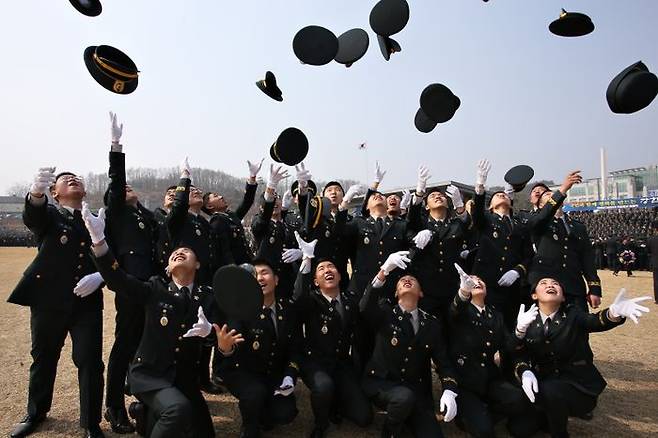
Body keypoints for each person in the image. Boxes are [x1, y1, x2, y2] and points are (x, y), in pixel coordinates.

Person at [83, 203, 219, 437]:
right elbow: (119, 280)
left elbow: (224, 334)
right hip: (150, 374)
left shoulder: (208, 296)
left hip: (184, 378)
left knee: (204, 433)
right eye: (174, 253)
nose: (178, 252)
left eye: (186, 252)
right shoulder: (155, 288)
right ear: (167, 267)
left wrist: (211, 334)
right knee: (177, 409)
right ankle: (152, 409)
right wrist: (99, 242)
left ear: (197, 264)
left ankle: (145, 414)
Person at [8, 169, 105, 438]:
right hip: (48, 300)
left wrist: (101, 276)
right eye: (65, 179)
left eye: (77, 178)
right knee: (44, 357)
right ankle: (35, 413)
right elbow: (34, 217)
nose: (73, 179)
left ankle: (91, 422)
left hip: (86, 303)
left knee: (90, 362)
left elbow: (111, 255)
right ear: (55, 193)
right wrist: (35, 195)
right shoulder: (50, 215)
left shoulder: (95, 219)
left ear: (85, 191)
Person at [513, 277, 651, 438]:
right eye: (543, 283)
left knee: (551, 391)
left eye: (555, 284)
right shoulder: (526, 319)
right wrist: (524, 366)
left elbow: (594, 321)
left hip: (576, 386)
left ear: (563, 297)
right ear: (534, 296)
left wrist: (613, 314)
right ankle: (547, 415)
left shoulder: (573, 315)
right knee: (519, 429)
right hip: (542, 386)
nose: (550, 285)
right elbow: (517, 353)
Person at [359, 251, 459, 438]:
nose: (407, 280)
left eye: (412, 279)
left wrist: (450, 389)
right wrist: (383, 272)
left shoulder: (431, 324)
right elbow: (365, 307)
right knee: (403, 399)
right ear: (396, 292)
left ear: (420, 293)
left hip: (416, 389)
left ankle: (404, 420)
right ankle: (390, 430)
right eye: (402, 280)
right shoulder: (384, 312)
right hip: (381, 383)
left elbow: (443, 362)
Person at [103, 113, 158, 434]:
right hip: (131, 286)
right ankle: (113, 407)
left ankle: (144, 399)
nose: (127, 188)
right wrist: (116, 147)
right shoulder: (118, 213)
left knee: (146, 343)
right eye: (122, 188)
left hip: (154, 286)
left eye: (129, 186)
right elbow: (115, 182)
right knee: (124, 344)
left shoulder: (146, 216)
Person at [292, 233, 373, 437]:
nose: (327, 271)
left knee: (364, 418)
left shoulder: (348, 301)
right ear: (316, 282)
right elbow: (298, 298)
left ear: (339, 275)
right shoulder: (312, 300)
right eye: (321, 269)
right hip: (315, 363)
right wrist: (307, 261)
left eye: (331, 268)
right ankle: (321, 423)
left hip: (341, 363)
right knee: (324, 387)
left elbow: (364, 310)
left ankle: (338, 402)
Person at [217, 259, 301, 438]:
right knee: (255, 395)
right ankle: (249, 426)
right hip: (245, 373)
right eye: (255, 275)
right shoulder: (240, 310)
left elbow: (295, 348)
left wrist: (289, 375)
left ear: (276, 279)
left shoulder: (288, 309)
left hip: (274, 374)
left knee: (284, 414)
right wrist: (226, 348)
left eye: (265, 273)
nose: (260, 278)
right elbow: (232, 346)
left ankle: (263, 411)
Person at [450, 264, 537, 438]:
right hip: (466, 382)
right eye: (472, 280)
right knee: (484, 431)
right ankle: (469, 415)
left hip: (489, 378)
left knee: (520, 399)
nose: (477, 282)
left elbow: (508, 346)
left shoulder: (495, 315)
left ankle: (481, 413)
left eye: (480, 280)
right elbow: (454, 311)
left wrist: (519, 331)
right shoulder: (460, 310)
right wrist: (463, 293)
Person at [471, 159, 533, 329]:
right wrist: (480, 185)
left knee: (509, 327)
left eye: (504, 194)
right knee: (485, 328)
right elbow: (476, 214)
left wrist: (517, 271)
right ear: (490, 207)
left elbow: (528, 255)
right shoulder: (486, 220)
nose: (501, 195)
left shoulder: (520, 225)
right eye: (497, 195)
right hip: (486, 283)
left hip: (511, 287)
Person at [527, 171, 602, 311]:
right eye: (547, 196)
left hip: (574, 285)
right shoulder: (537, 221)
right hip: (547, 287)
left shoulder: (578, 226)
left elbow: (587, 258)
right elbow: (540, 219)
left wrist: (594, 288)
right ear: (542, 205)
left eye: (552, 193)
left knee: (578, 327)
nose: (552, 196)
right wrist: (562, 189)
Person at [405, 165, 471, 325]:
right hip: (427, 290)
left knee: (454, 331)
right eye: (433, 195)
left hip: (452, 288)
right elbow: (411, 221)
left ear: (448, 204)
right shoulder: (421, 224)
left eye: (441, 196)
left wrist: (460, 206)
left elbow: (468, 225)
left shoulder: (455, 224)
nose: (438, 196)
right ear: (426, 206)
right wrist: (420, 193)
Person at [203, 159, 262, 265]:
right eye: (215, 196)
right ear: (209, 205)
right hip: (236, 269)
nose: (221, 196)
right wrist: (233, 270)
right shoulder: (216, 222)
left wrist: (252, 178)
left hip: (248, 264)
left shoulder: (230, 217)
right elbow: (225, 251)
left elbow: (247, 202)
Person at [251, 165, 296, 297]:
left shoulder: (289, 223)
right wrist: (270, 189)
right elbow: (261, 221)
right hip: (267, 279)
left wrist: (299, 253)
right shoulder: (260, 222)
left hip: (288, 278)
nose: (275, 202)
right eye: (272, 200)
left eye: (278, 198)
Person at [649, 221, 658, 304]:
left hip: (655, 262)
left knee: (656, 281)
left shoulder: (652, 239)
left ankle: (657, 299)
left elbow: (648, 250)